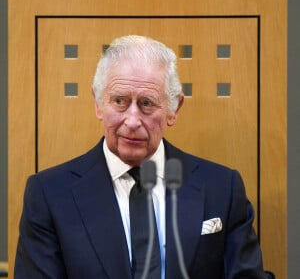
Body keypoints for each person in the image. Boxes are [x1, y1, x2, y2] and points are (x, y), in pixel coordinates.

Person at [15, 35, 268, 278]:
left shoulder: (222, 188)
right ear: (98, 103)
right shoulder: (49, 194)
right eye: (120, 101)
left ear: (173, 109)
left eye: (147, 103)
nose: (133, 120)